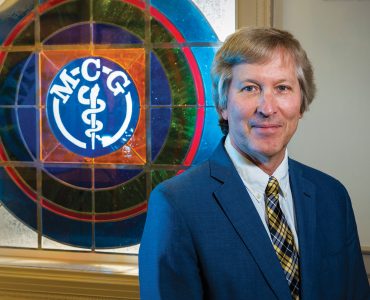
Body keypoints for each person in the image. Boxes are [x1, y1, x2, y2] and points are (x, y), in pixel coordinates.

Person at [139, 27, 369, 300]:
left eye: (282, 88)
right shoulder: (176, 205)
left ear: (301, 104)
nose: (267, 107)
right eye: (250, 88)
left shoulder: (332, 196)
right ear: (223, 104)